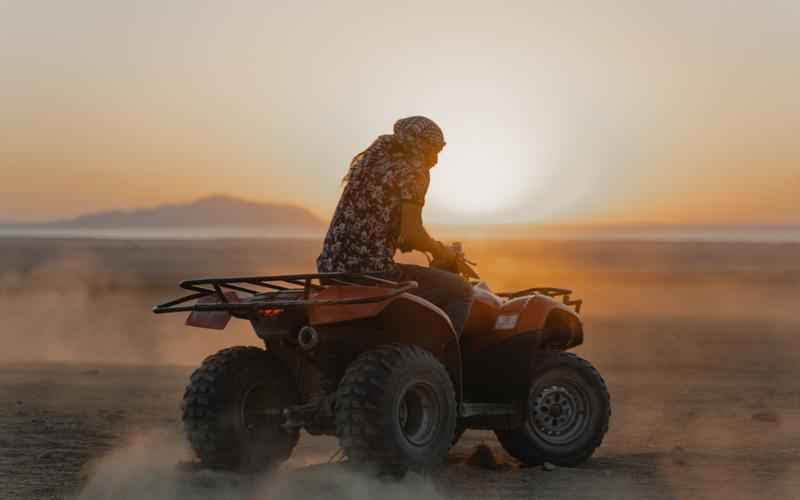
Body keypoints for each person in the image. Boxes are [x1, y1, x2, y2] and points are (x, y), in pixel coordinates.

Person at [316, 116, 473, 335]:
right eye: (433, 150)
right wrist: (441, 251)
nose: (435, 160)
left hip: (330, 269)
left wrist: (404, 239)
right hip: (371, 273)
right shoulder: (413, 170)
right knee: (460, 290)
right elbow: (412, 234)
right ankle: (436, 360)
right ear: (419, 145)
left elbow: (380, 224)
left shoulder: (371, 164)